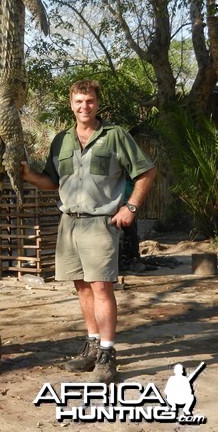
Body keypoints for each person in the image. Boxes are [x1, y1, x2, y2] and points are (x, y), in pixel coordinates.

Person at [22, 80, 156, 383]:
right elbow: (53, 182)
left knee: (100, 287)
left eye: (90, 101)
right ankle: (93, 343)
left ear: (98, 104)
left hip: (100, 222)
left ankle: (108, 354)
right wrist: (29, 175)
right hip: (69, 221)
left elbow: (146, 172)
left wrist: (130, 207)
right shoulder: (61, 140)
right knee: (81, 286)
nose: (85, 107)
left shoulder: (115, 136)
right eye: (79, 101)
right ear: (71, 104)